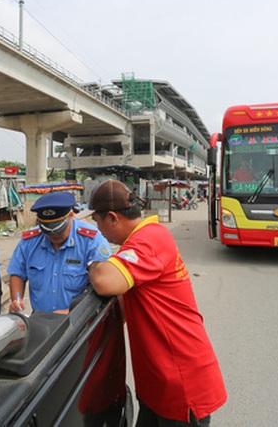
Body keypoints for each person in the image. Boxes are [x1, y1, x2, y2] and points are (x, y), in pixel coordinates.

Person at [83, 180, 227, 426]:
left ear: (113, 218)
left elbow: (105, 281)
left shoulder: (147, 240)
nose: (99, 231)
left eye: (97, 222)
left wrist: (92, 264)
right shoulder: (145, 239)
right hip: (159, 381)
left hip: (180, 382)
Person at [8, 191, 111, 314]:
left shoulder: (91, 240)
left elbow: (106, 284)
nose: (55, 235)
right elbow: (17, 273)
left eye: (59, 229)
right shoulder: (30, 241)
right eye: (48, 231)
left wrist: (71, 312)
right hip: (41, 320)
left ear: (71, 216)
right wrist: (16, 301)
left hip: (81, 320)